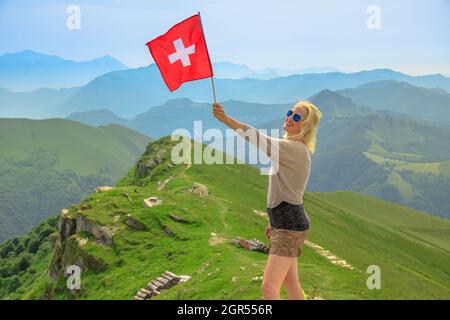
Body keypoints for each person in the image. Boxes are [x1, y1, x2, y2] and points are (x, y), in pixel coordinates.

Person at [212, 100, 322, 300]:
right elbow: (285, 189)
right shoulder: (293, 149)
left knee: (269, 288)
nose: (290, 118)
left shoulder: (294, 149)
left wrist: (225, 119)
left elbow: (256, 137)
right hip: (287, 222)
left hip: (289, 225)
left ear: (305, 126)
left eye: (297, 117)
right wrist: (273, 221)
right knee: (291, 284)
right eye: (290, 113)